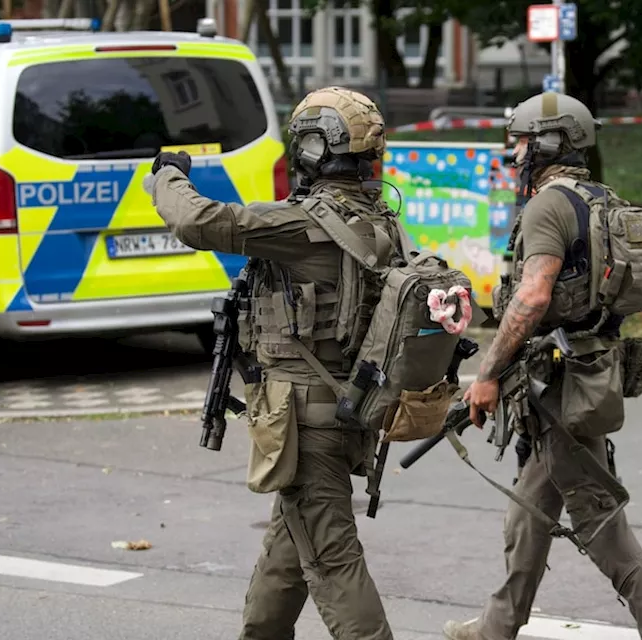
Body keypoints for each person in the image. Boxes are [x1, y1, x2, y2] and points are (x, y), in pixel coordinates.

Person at [442, 92, 642, 640]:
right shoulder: (607, 201)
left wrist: (486, 374)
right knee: (531, 507)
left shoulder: (548, 205)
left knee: (597, 515)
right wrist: (597, 311)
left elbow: (531, 298)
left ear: (550, 142)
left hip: (556, 384)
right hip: (591, 373)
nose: (514, 155)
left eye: (522, 143)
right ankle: (498, 623)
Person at [144, 86, 399, 639]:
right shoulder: (378, 223)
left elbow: (199, 222)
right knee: (286, 560)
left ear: (309, 149)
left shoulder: (301, 225)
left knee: (332, 562)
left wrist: (167, 174)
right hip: (345, 409)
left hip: (305, 424)